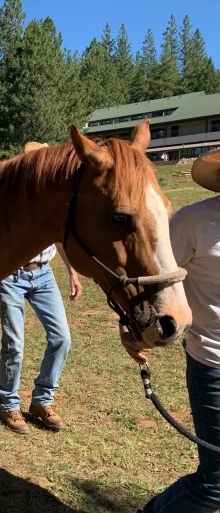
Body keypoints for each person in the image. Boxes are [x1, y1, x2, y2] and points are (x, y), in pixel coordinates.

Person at [122, 148, 220, 513]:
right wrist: (131, 327)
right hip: (214, 364)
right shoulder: (193, 221)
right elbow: (150, 280)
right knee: (214, 486)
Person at [0, 242, 83, 434]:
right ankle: (9, 405)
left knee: (62, 338)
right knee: (14, 344)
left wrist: (72, 272)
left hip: (44, 274)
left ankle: (42, 400)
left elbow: (59, 238)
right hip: (10, 274)